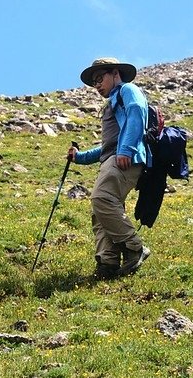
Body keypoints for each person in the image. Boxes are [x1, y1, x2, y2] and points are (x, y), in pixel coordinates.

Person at [68, 57, 151, 279]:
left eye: (100, 78)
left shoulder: (128, 91)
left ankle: (134, 248)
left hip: (124, 159)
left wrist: (126, 149)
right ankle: (108, 263)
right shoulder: (114, 101)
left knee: (101, 199)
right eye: (94, 81)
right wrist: (80, 158)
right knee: (101, 211)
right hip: (113, 158)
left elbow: (136, 113)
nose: (96, 85)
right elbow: (107, 146)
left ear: (115, 73)